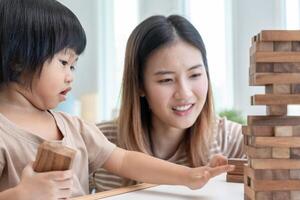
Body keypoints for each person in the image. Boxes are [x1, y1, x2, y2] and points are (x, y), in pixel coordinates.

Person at [0, 1, 235, 199]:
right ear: (18, 61)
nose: (71, 76)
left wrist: (187, 176)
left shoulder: (75, 127)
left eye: (74, 65)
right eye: (63, 63)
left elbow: (123, 160)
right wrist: (18, 195)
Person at [91, 15, 244, 192]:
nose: (185, 93)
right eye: (166, 80)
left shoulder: (232, 140)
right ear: (139, 85)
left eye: (195, 75)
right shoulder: (99, 143)